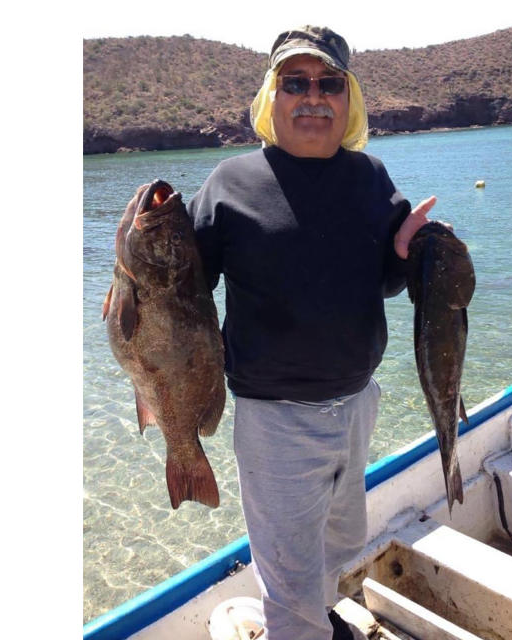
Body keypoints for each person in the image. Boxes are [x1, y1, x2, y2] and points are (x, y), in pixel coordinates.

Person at [187, 25, 438, 640]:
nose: (312, 97)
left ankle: (319, 614)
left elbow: (380, 282)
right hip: (274, 418)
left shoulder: (371, 178)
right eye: (294, 83)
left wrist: (406, 256)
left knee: (340, 537)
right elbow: (177, 292)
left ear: (348, 98)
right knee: (290, 575)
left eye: (329, 83)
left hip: (356, 404)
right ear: (271, 98)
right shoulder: (229, 183)